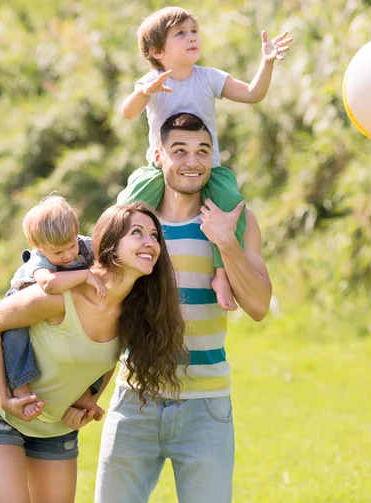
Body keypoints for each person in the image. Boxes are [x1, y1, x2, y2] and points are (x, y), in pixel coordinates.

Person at [96, 113, 272, 503]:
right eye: (180, 151)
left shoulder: (238, 222)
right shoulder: (135, 231)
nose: (192, 161)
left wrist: (226, 242)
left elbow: (258, 306)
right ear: (158, 156)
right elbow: (103, 309)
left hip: (205, 407)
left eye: (202, 152)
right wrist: (90, 389)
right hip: (133, 400)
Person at [0, 202, 186, 503]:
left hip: (55, 425)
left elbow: (108, 360)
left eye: (154, 235)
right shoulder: (61, 294)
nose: (150, 242)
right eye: (137, 232)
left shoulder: (132, 312)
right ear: (108, 245)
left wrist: (87, 399)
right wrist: (4, 395)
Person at [118, 6, 290, 312]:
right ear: (157, 50)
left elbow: (252, 94)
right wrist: (145, 92)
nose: (191, 38)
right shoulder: (152, 82)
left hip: (209, 167)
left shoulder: (209, 77)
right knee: (126, 208)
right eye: (180, 34)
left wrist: (266, 63)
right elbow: (128, 113)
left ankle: (221, 274)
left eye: (194, 31)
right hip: (160, 168)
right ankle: (107, 267)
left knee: (229, 203)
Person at [2, 194, 107, 418]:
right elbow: (49, 284)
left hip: (65, 304)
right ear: (37, 247)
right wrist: (85, 275)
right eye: (58, 253)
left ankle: (86, 393)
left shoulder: (85, 246)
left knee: (101, 336)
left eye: (71, 246)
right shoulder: (39, 259)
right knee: (15, 335)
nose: (68, 255)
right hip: (26, 297)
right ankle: (20, 388)